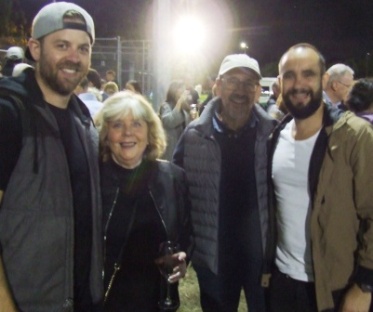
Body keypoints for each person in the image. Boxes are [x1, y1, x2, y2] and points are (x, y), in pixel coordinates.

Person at [0, 2, 103, 311]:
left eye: (83, 49)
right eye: (62, 45)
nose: (74, 57)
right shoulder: (9, 112)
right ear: (35, 48)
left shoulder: (83, 119)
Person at [268, 43, 373, 312]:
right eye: (289, 75)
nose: (298, 83)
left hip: (336, 287)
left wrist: (365, 285)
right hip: (282, 283)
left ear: (324, 80)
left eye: (308, 74)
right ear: (280, 83)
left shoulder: (355, 136)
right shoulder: (275, 138)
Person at [173, 54, 277, 312]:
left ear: (257, 91)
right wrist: (185, 246)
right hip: (214, 258)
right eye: (233, 81)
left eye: (249, 83)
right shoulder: (195, 135)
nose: (240, 90)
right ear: (217, 86)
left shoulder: (273, 133)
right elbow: (177, 193)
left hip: (262, 260)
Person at [95, 91, 193, 311]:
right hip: (105, 301)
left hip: (156, 300)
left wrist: (184, 254)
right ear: (105, 134)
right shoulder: (92, 181)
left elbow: (187, 230)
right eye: (118, 125)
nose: (128, 132)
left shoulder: (173, 178)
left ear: (150, 133)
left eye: (137, 124)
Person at [159, 80, 196, 161]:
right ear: (173, 92)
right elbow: (169, 121)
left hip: (183, 149)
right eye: (181, 90)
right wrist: (179, 102)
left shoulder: (184, 107)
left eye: (184, 90)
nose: (183, 93)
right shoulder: (166, 106)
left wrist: (193, 119)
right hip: (170, 150)